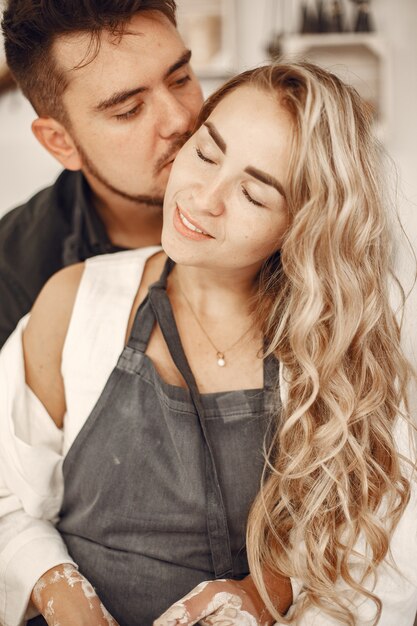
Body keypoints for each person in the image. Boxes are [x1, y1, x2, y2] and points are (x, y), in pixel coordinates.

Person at [0, 60, 416, 626]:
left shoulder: (347, 355)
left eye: (253, 193)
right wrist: (59, 590)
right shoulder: (76, 302)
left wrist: (263, 596)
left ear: (302, 226)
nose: (204, 198)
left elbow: (378, 561)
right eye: (206, 153)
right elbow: (5, 497)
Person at [0, 0, 203, 348]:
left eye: (180, 79)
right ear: (60, 143)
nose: (180, 119)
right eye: (129, 110)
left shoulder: (293, 205)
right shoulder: (13, 275)